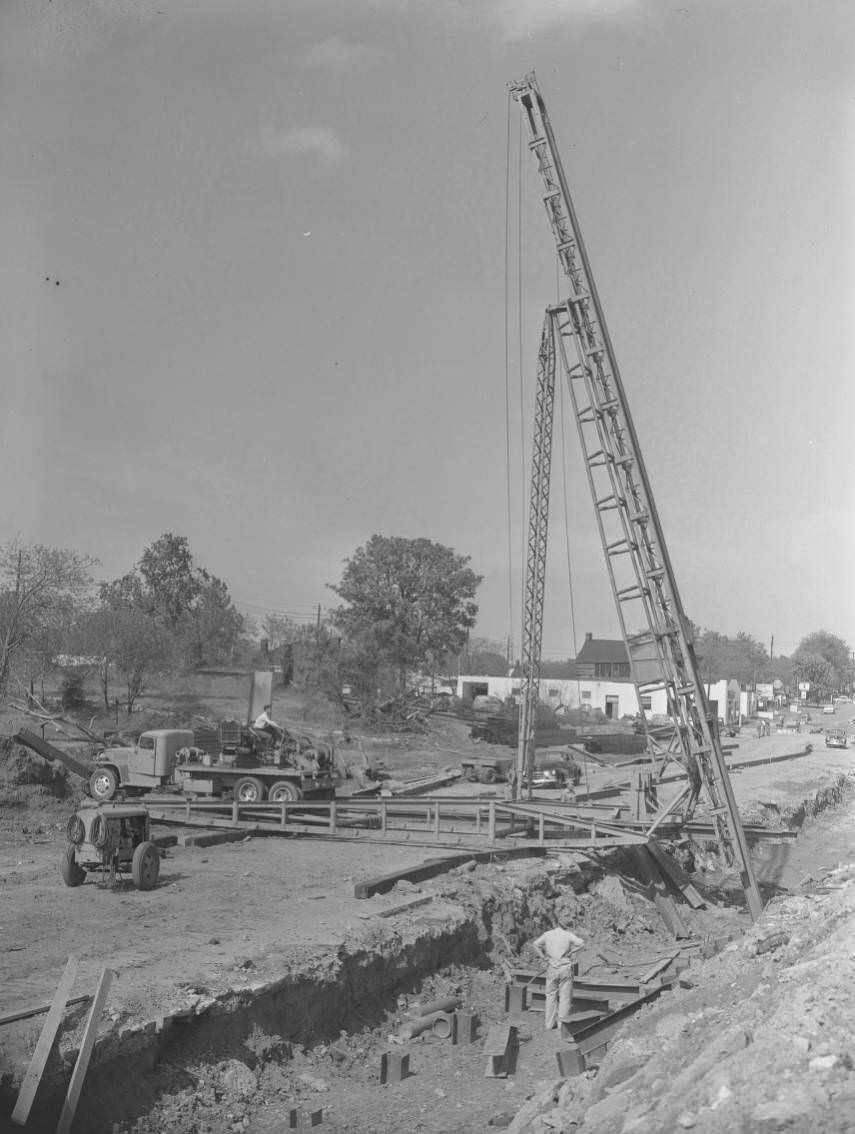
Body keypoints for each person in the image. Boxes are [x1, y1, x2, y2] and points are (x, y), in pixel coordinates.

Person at [531, 916, 585, 1030]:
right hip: (565, 968)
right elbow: (581, 944)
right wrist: (572, 951)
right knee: (565, 998)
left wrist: (543, 957)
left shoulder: (548, 934)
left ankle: (549, 1024)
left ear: (558, 923)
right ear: (568, 926)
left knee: (550, 996)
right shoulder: (568, 935)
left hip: (552, 967)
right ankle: (562, 1025)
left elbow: (535, 944)